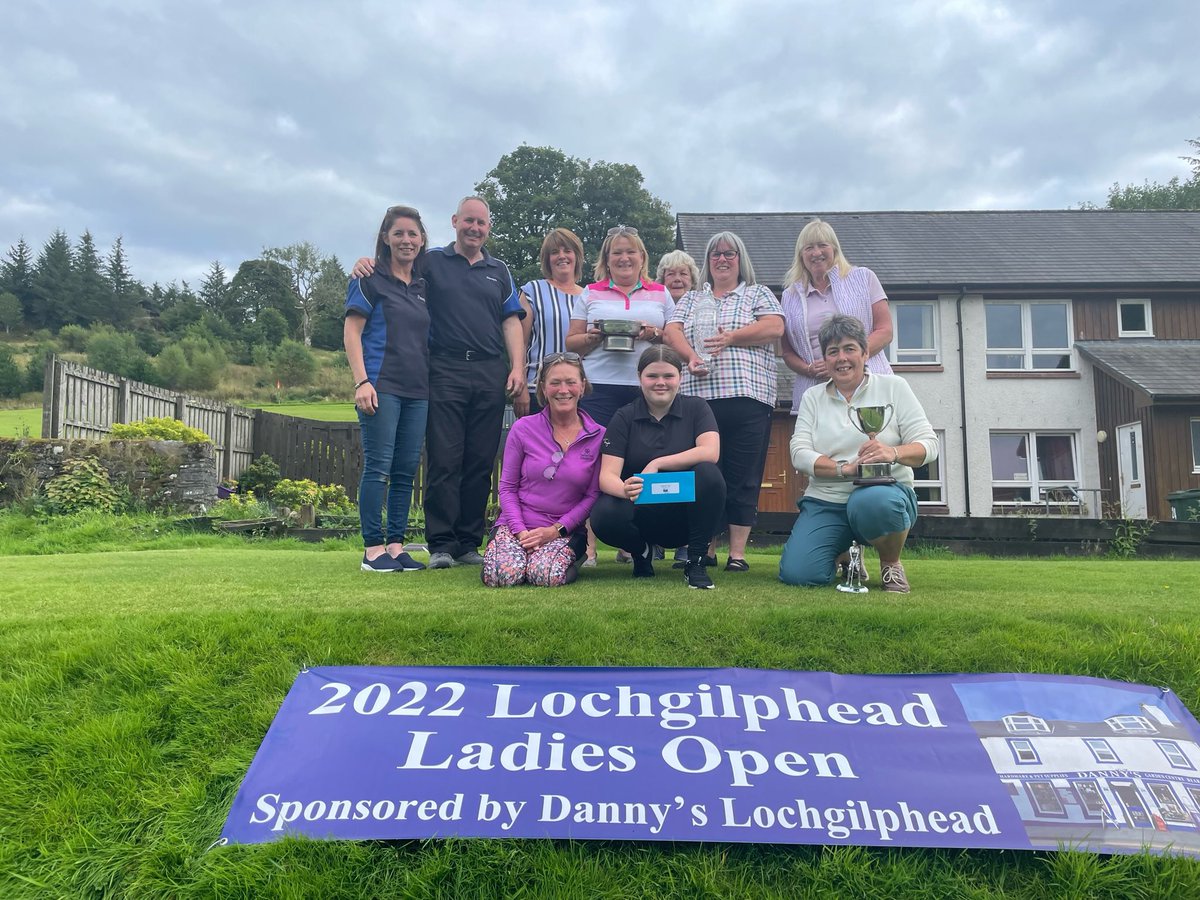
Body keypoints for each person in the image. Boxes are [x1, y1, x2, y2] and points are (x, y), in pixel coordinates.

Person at [351, 196, 526, 570]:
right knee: (445, 459)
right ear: (455, 222)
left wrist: (518, 367)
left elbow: (511, 320)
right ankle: (442, 543)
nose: (474, 228)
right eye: (468, 221)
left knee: (481, 460)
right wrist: (364, 263)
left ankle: (467, 542)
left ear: (488, 227)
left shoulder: (500, 270)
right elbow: (394, 268)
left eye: (481, 223)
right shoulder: (432, 263)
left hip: (488, 370)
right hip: (443, 369)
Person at [779, 315, 938, 592]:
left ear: (865, 353)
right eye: (833, 351)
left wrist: (893, 452)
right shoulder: (812, 398)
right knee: (799, 574)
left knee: (872, 503)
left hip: (883, 493)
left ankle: (890, 564)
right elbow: (799, 452)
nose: (842, 358)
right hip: (827, 500)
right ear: (825, 360)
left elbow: (929, 445)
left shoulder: (894, 387)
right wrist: (844, 469)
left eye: (850, 349)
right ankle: (844, 551)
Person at [663, 231, 784, 572]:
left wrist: (731, 337)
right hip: (698, 401)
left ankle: (738, 553)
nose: (722, 259)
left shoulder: (757, 294)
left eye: (729, 254)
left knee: (743, 475)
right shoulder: (690, 299)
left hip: (749, 397)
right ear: (707, 262)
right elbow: (671, 332)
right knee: (704, 474)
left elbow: (774, 327)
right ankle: (705, 548)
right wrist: (689, 357)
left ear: (740, 259)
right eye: (715, 254)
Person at [591, 346, 726, 590]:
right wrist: (625, 489)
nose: (660, 383)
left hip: (686, 517)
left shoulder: (697, 408)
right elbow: (606, 476)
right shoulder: (624, 416)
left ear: (680, 378)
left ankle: (695, 562)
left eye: (668, 376)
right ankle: (641, 553)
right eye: (652, 376)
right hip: (643, 513)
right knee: (603, 513)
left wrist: (657, 463)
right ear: (640, 377)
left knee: (709, 475)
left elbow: (710, 451)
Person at [344, 205, 431, 572]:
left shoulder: (424, 286)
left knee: (406, 469)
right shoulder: (369, 278)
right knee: (378, 467)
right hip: (381, 385)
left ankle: (396, 547)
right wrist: (361, 381)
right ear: (386, 238)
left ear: (422, 239)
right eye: (399, 233)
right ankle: (372, 549)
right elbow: (352, 331)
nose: (406, 240)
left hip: (418, 390)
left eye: (413, 234)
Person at [482, 353, 604, 587]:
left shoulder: (598, 435)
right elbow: (507, 487)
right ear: (543, 388)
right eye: (555, 383)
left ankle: (561, 558)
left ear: (582, 386)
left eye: (571, 382)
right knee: (503, 576)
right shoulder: (523, 428)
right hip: (516, 525)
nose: (563, 389)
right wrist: (520, 532)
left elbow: (592, 496)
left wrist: (554, 531)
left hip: (562, 530)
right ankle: (516, 557)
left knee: (545, 575)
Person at [780, 219, 894, 413]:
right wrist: (809, 369)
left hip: (867, 385)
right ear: (801, 255)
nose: (816, 253)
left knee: (872, 442)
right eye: (809, 248)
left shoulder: (864, 278)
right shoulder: (789, 296)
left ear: (834, 248)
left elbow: (885, 331)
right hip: (816, 392)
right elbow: (787, 352)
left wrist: (848, 358)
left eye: (822, 245)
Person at [565, 226, 673, 426]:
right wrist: (591, 338)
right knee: (597, 449)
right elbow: (571, 343)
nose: (624, 258)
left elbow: (674, 340)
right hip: (597, 385)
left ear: (642, 257)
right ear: (607, 260)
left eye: (631, 252)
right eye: (617, 253)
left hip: (648, 386)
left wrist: (653, 333)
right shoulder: (590, 292)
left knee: (645, 452)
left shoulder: (661, 293)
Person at [514, 228, 586, 417]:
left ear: (577, 256)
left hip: (577, 391)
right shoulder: (533, 290)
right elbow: (519, 343)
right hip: (538, 388)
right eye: (555, 252)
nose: (562, 256)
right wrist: (519, 385)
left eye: (567, 251)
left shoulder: (590, 296)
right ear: (547, 259)